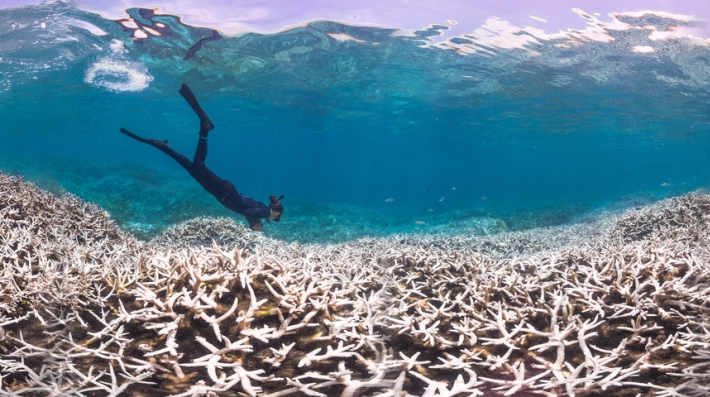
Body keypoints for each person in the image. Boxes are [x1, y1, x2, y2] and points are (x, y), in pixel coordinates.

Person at [119, 83, 283, 231]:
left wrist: (253, 222)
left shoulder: (262, 208)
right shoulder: (264, 211)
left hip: (223, 192)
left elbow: (246, 209)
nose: (272, 219)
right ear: (275, 212)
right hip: (224, 191)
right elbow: (247, 211)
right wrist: (254, 224)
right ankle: (205, 129)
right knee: (198, 166)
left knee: (193, 170)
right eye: (276, 218)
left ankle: (165, 148)